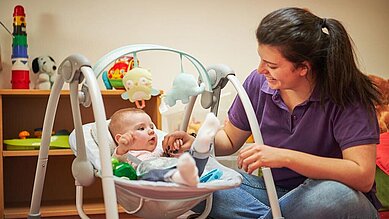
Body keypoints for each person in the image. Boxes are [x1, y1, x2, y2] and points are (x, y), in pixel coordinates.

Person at [162, 7, 383, 218]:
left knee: (334, 195)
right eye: (261, 59)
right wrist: (197, 142)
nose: (260, 69)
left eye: (271, 65)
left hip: (334, 199)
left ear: (303, 67)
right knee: (194, 184)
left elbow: (362, 175)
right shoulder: (258, 83)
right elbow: (229, 139)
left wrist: (284, 157)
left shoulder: (349, 96)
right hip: (276, 193)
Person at [109, 108, 220, 186]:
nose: (151, 130)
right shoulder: (128, 154)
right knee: (148, 173)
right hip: (154, 181)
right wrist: (122, 147)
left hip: (186, 172)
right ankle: (177, 176)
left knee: (188, 157)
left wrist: (175, 149)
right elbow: (116, 160)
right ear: (120, 138)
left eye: (151, 126)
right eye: (141, 128)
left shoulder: (159, 148)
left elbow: (173, 160)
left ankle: (202, 144)